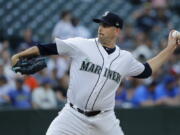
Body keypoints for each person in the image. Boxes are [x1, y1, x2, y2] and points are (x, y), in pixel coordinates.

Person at [11, 11, 179, 135]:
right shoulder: (81, 45)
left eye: (106, 25)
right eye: (100, 24)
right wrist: (19, 55)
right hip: (72, 116)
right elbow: (45, 48)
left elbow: (147, 71)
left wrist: (170, 47)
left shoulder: (125, 58)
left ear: (117, 31)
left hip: (104, 120)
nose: (101, 28)